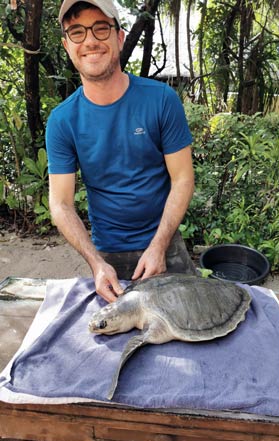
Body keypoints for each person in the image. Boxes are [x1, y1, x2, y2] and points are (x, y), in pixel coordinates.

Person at [46, 0, 196, 303]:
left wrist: (158, 247)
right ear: (66, 45)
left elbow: (182, 179)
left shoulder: (162, 100)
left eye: (100, 28)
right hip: (106, 254)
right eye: (77, 32)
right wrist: (96, 263)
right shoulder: (62, 121)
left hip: (166, 244)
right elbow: (60, 204)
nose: (89, 41)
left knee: (196, 328)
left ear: (119, 37)